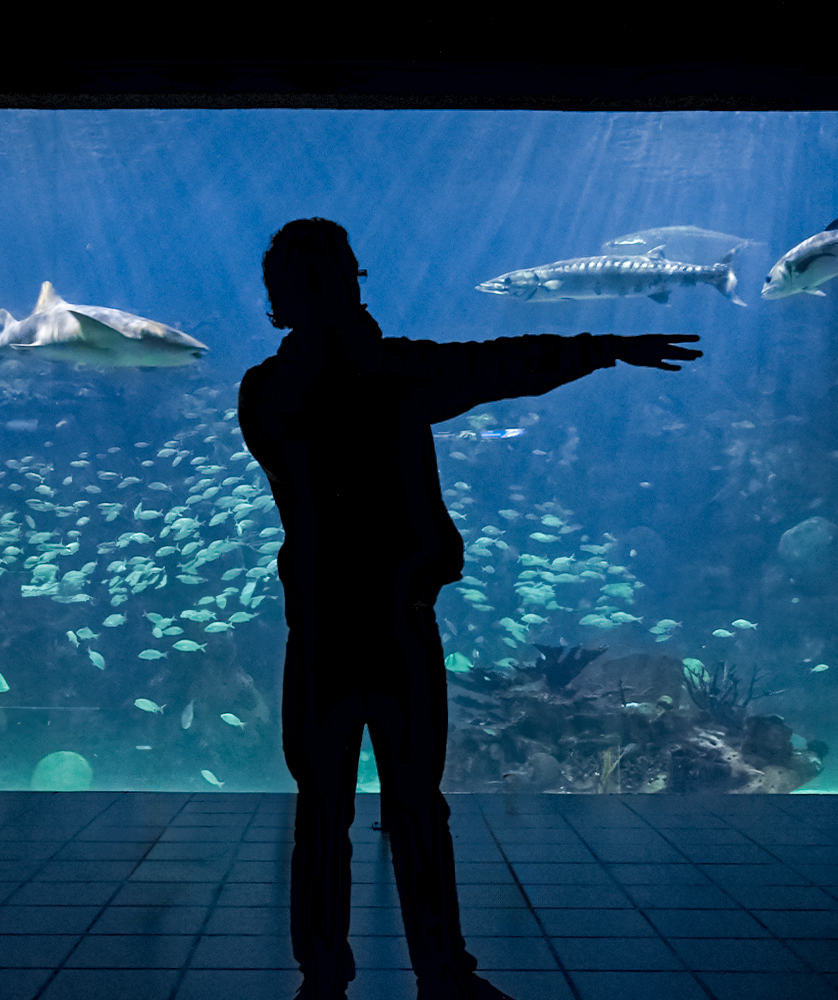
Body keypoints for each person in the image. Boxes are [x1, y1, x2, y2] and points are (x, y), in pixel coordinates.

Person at [236, 219, 701, 1000]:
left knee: (322, 814)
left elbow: (477, 369)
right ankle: (443, 973)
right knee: (418, 806)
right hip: (397, 624)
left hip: (317, 631)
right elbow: (502, 365)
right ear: (352, 284)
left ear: (276, 297)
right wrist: (607, 346)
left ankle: (322, 977)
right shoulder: (392, 374)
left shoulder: (264, 390)